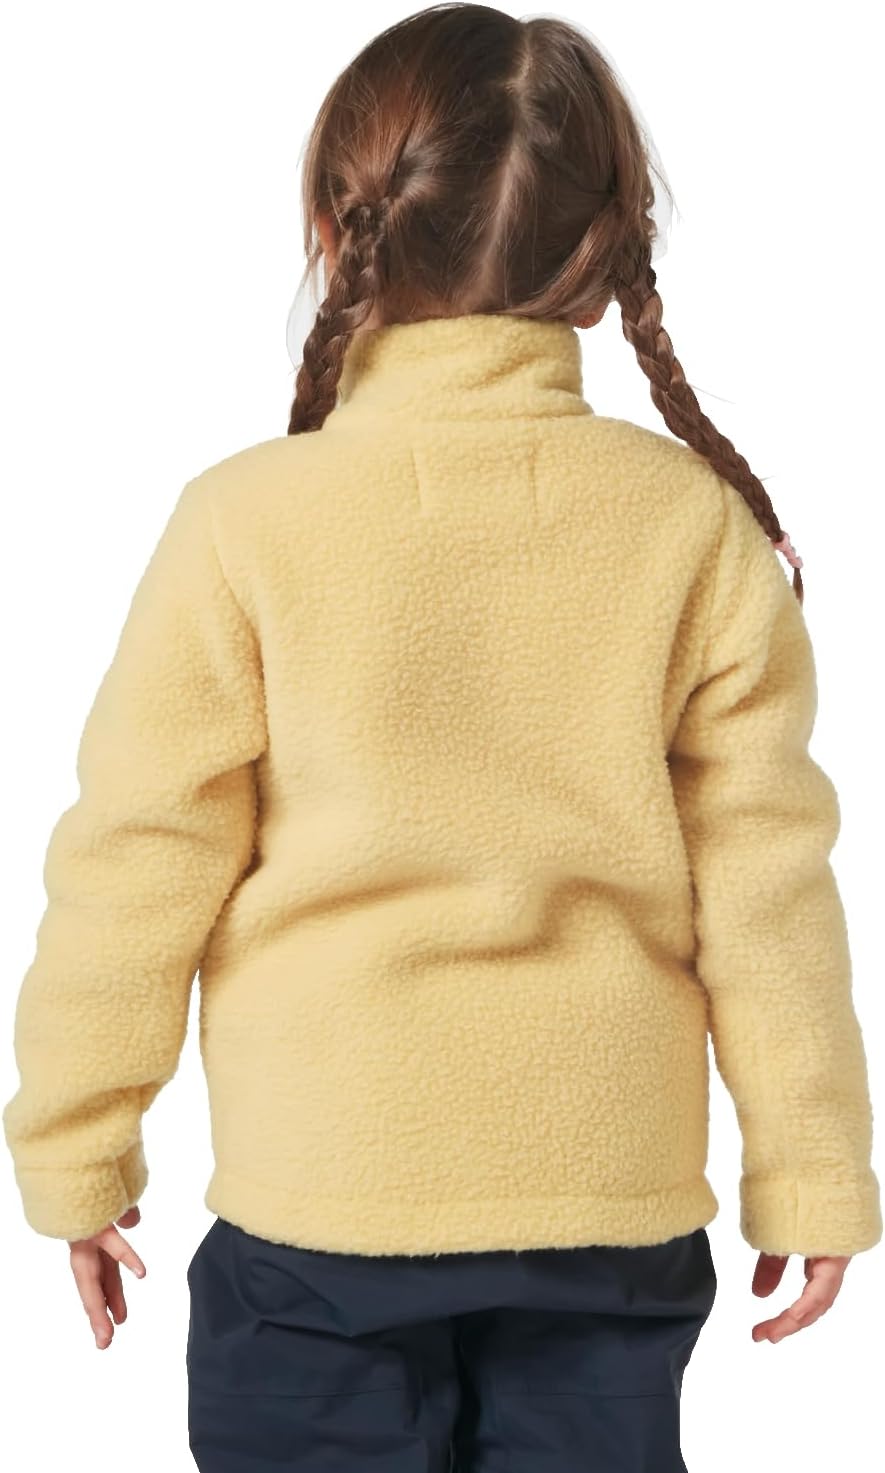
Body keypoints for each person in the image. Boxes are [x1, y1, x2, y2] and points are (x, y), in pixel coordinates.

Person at [3, 4, 881, 1469]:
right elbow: (768, 890)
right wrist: (813, 1170)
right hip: (605, 1200)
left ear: (332, 227)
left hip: (322, 1187)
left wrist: (76, 1142)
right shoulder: (692, 529)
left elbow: (136, 857)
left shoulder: (244, 523)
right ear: (601, 261)